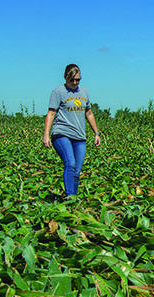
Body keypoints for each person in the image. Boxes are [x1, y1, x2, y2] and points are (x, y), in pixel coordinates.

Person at [42, 64, 101, 197]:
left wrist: (96, 133)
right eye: (72, 80)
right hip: (61, 133)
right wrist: (46, 135)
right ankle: (69, 198)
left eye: (77, 79)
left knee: (77, 170)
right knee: (70, 163)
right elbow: (51, 113)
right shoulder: (58, 92)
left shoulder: (84, 92)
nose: (75, 82)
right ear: (65, 77)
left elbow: (89, 113)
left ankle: (73, 201)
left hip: (79, 136)